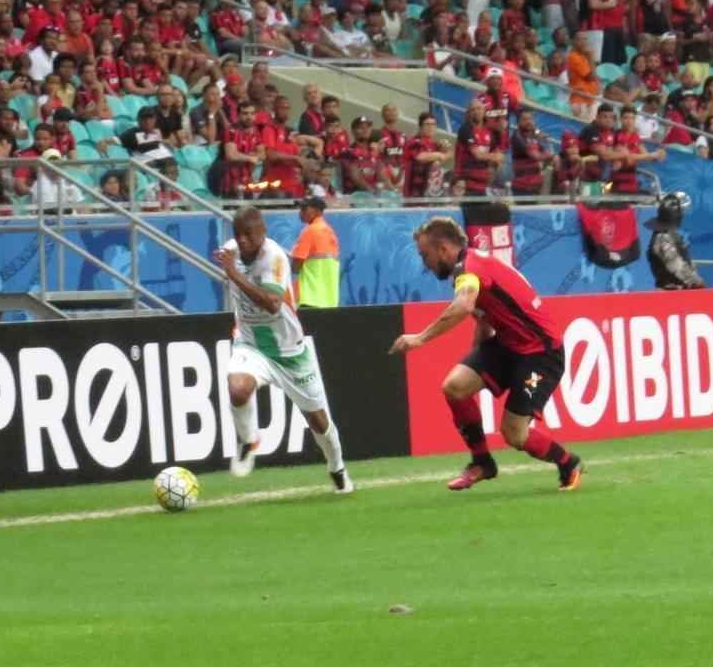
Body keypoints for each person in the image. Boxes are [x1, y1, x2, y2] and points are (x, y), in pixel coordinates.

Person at [388, 216, 583, 492]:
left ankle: (568, 462)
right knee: (455, 387)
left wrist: (419, 338)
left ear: (443, 248)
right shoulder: (472, 264)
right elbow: (483, 318)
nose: (425, 263)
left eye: (425, 255)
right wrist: (476, 364)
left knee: (514, 434)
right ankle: (482, 463)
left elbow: (463, 306)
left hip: (541, 352)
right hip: (508, 344)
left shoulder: (469, 270)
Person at [213, 207, 354, 493]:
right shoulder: (231, 251)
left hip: (289, 351)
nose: (241, 240)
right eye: (237, 234)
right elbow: (229, 261)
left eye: (248, 234)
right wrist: (229, 266)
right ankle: (248, 439)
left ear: (262, 233)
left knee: (318, 419)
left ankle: (336, 467)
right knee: (237, 388)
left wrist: (233, 274)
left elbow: (272, 304)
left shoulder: (274, 257)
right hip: (251, 343)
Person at [290, 196, 341, 308]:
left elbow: (295, 267)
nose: (300, 212)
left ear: (317, 211)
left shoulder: (309, 231)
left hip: (310, 299)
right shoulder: (330, 233)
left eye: (304, 209)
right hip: (330, 300)